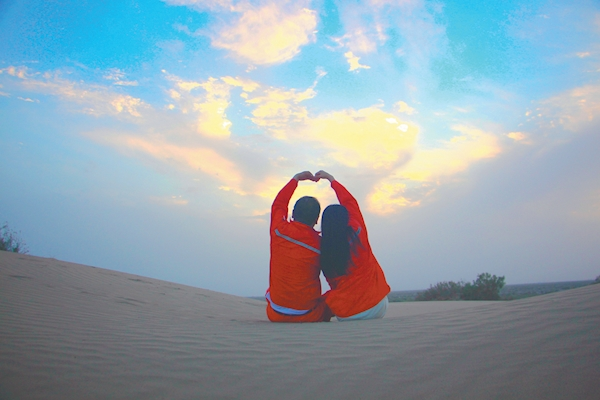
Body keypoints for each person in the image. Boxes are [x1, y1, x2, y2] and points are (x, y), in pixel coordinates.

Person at [316, 170, 391, 321]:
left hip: (346, 313)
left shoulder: (322, 250)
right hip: (376, 306)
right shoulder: (358, 234)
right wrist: (331, 180)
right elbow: (351, 203)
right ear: (346, 219)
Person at [265, 171, 333, 323]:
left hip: (275, 314)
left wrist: (295, 179)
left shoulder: (278, 230)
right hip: (309, 316)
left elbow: (278, 204)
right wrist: (332, 180)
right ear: (316, 220)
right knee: (336, 296)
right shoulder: (321, 245)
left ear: (293, 214)